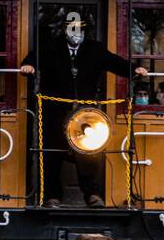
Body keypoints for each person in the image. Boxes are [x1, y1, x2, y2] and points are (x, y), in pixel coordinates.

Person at [20, 19, 147, 207]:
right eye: (72, 29)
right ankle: (52, 196)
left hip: (86, 112)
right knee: (52, 151)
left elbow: (114, 62)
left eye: (80, 29)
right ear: (65, 30)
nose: (76, 33)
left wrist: (133, 69)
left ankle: (92, 194)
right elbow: (31, 59)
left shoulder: (94, 49)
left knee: (89, 151)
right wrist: (28, 66)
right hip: (55, 110)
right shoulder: (50, 47)